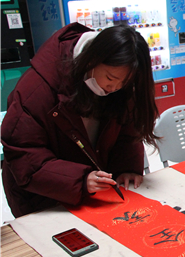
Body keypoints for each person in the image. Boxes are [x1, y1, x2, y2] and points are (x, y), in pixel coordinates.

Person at [2, 23, 160, 218]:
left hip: (95, 194)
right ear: (92, 60)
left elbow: (127, 133)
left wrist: (126, 169)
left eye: (123, 83)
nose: (114, 87)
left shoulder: (121, 82)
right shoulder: (37, 88)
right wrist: (79, 180)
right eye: (110, 78)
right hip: (43, 197)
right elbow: (23, 152)